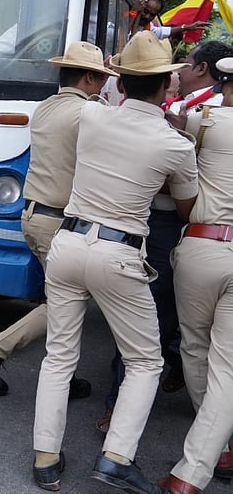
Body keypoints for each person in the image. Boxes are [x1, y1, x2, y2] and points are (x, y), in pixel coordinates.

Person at [31, 31, 196, 493]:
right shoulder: (175, 145)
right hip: (120, 255)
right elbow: (186, 208)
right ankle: (117, 458)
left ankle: (46, 459)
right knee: (145, 362)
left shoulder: (91, 116)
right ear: (166, 84)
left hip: (68, 241)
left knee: (59, 355)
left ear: (119, 84)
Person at [0, 42, 116, 401]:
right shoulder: (87, 113)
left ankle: (64, 372)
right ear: (89, 77)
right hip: (59, 222)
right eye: (101, 78)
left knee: (64, 300)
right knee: (68, 303)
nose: (103, 85)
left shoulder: (46, 107)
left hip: (35, 216)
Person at [97, 40, 233, 434]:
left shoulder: (197, 118)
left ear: (207, 72)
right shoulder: (182, 115)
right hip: (173, 229)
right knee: (153, 315)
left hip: (187, 230)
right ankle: (123, 402)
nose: (179, 74)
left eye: (186, 65)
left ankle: (194, 411)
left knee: (184, 330)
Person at [157, 56, 233, 494]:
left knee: (194, 348)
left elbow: (158, 112)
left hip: (202, 245)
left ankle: (199, 465)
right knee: (227, 365)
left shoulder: (202, 121)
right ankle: (208, 455)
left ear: (222, 80)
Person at [129, 0, 210, 41]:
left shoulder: (148, 28)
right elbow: (121, 33)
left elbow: (162, 31)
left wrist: (186, 27)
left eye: (152, 15)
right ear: (141, 6)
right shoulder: (123, 14)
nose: (147, 16)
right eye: (145, 11)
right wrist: (133, 12)